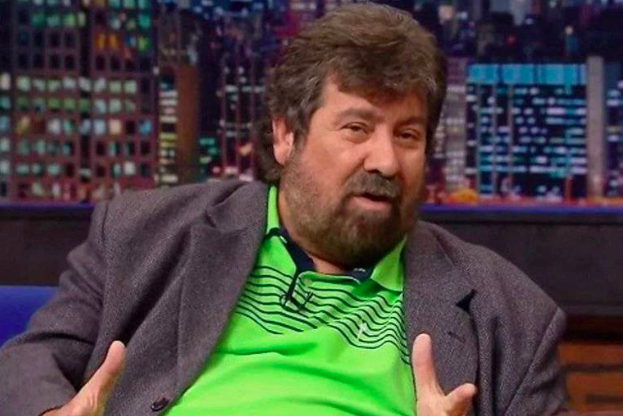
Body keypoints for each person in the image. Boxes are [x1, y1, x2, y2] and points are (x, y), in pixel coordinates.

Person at [0, 4, 566, 416]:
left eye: (408, 135)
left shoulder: (507, 312)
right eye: (357, 128)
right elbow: (29, 361)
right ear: (285, 136)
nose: (387, 161)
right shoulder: (143, 234)